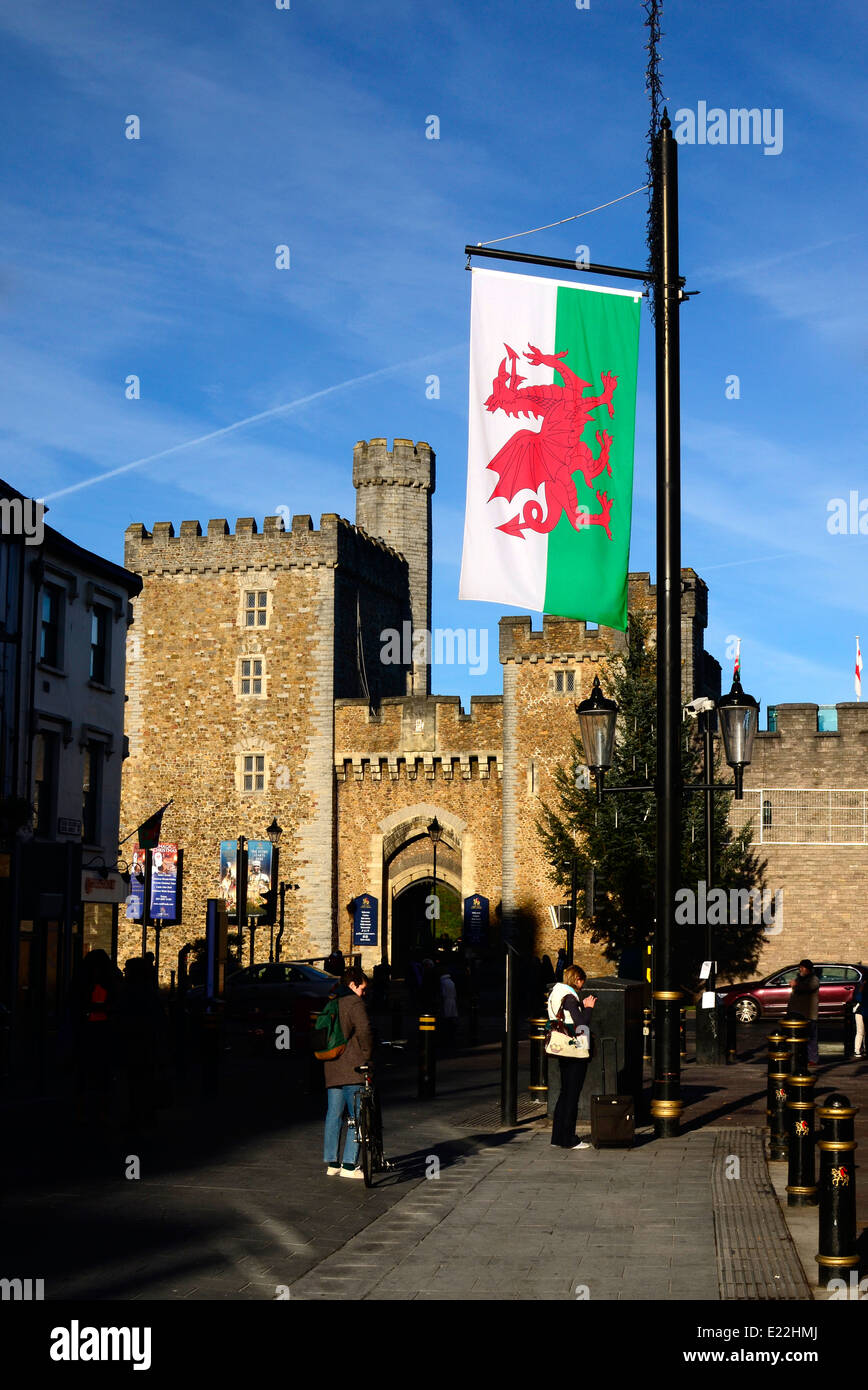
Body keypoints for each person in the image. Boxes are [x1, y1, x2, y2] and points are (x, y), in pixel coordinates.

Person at [322, 966, 373, 1180]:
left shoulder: (332, 1001)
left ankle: (332, 1163)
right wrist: (367, 1055)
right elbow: (364, 1030)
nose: (364, 993)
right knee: (358, 1117)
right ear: (353, 985)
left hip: (332, 1065)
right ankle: (350, 1165)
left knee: (333, 1116)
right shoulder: (354, 1002)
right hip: (352, 1067)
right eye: (362, 988)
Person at [548, 964, 596, 1149]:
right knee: (572, 1095)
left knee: (564, 1092)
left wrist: (580, 1006)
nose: (582, 986)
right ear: (577, 979)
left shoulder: (556, 992)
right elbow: (581, 1023)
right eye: (582, 982)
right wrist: (588, 1007)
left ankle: (557, 1137)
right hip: (574, 1048)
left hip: (561, 1047)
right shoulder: (569, 996)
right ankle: (569, 1138)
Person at [787, 959, 820, 1064]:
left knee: (811, 1037)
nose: (800, 969)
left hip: (809, 1014)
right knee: (799, 1037)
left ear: (808, 969)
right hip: (797, 1013)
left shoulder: (814, 979)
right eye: (800, 967)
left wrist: (795, 985)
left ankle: (813, 1059)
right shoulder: (799, 979)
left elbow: (808, 987)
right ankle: (802, 1057)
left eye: (803, 967)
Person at [440, 970, 458, 1046]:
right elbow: (455, 993)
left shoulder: (443, 982)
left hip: (447, 1000)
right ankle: (452, 1028)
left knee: (446, 1015)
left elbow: (443, 993)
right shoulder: (451, 981)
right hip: (452, 1000)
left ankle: (447, 1031)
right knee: (452, 1016)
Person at [852, 973, 866, 1059]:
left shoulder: (859, 986)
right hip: (862, 1011)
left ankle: (857, 1050)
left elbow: (857, 998)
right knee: (861, 1032)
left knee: (860, 1032)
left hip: (860, 1011)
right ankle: (858, 1049)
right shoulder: (861, 987)